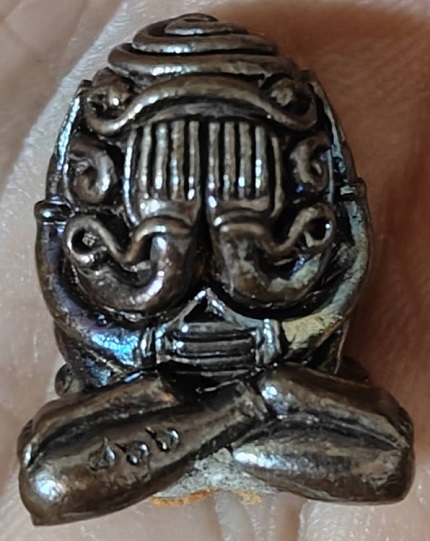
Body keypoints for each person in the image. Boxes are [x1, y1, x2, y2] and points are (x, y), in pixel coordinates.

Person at [0, 0, 429, 539]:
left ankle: (210, 420)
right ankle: (250, 404)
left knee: (385, 464)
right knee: (50, 483)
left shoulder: (294, 211)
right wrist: (257, 393)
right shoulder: (112, 229)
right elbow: (68, 271)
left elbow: (340, 255)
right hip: (249, 397)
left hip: (164, 409)